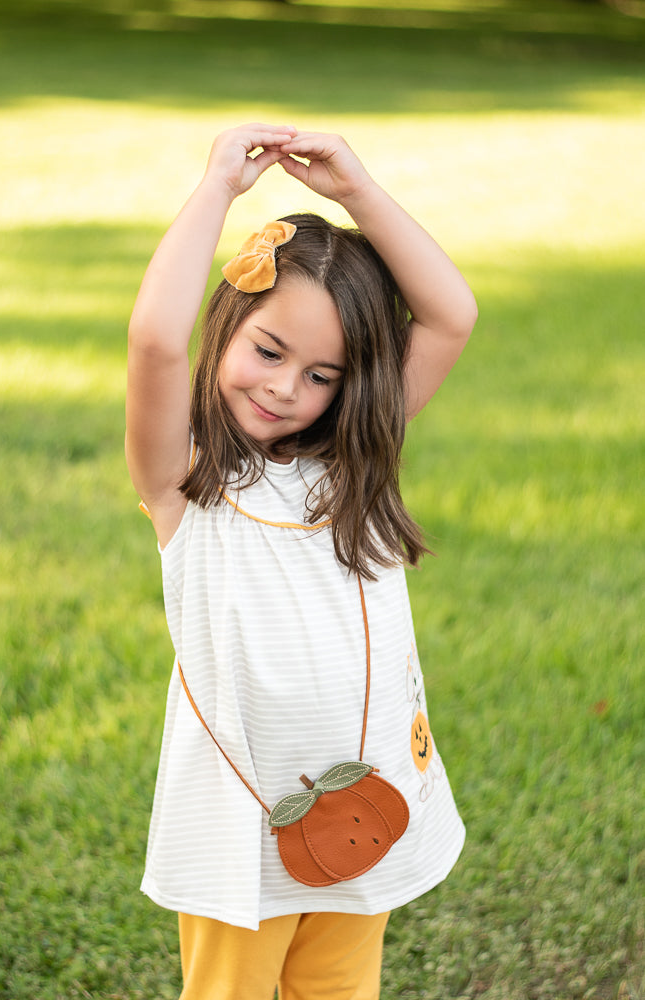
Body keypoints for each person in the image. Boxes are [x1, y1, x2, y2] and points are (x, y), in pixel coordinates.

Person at [126, 123, 477, 1000]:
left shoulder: (351, 459)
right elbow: (156, 345)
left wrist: (355, 189)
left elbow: (449, 315)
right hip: (240, 838)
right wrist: (216, 189)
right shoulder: (185, 479)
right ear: (228, 327)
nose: (286, 389)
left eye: (324, 375)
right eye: (268, 351)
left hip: (372, 813)